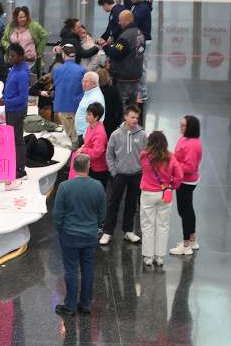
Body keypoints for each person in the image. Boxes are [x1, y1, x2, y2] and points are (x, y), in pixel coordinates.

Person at [53, 154, 107, 317]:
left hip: (69, 234)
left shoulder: (64, 187)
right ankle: (85, 305)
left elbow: (57, 214)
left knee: (71, 270)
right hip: (89, 235)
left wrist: (61, 229)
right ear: (88, 166)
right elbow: (102, 213)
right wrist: (95, 226)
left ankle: (70, 305)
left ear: (73, 167)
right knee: (88, 270)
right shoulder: (98, 186)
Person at [138, 130, 182, 271]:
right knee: (162, 225)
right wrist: (171, 186)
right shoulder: (171, 157)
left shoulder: (144, 156)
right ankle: (160, 257)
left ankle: (148, 257)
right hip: (165, 194)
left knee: (148, 225)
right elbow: (179, 175)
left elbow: (142, 168)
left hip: (148, 194)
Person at [102, 104, 145, 245]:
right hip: (119, 175)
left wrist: (141, 169)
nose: (135, 120)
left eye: (137, 118)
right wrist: (114, 171)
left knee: (131, 204)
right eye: (132, 117)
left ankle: (128, 231)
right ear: (125, 117)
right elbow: (109, 155)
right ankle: (107, 232)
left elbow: (146, 155)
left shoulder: (143, 135)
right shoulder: (116, 134)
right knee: (114, 203)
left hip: (136, 175)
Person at [170, 115, 202, 256]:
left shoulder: (192, 145)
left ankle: (186, 244)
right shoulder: (186, 138)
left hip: (186, 181)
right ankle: (192, 239)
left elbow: (190, 167)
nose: (180, 127)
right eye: (181, 124)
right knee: (187, 209)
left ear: (190, 128)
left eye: (183, 125)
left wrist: (174, 164)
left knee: (185, 211)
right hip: (185, 180)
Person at [105, 10, 145, 109]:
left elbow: (115, 53)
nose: (118, 23)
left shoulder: (126, 37)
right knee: (132, 103)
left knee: (122, 103)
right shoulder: (139, 32)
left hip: (125, 76)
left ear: (126, 21)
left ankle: (124, 123)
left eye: (120, 20)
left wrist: (105, 46)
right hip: (136, 73)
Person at [0, 45, 29, 179]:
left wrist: (6, 102)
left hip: (16, 111)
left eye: (13, 56)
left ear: (21, 56)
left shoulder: (22, 74)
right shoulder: (14, 69)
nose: (10, 58)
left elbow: (23, 98)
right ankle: (15, 165)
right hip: (11, 109)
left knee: (18, 140)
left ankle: (20, 169)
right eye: (9, 55)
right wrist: (4, 99)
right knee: (13, 139)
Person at [51, 45, 85, 143]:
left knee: (69, 134)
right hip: (76, 105)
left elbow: (56, 85)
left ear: (63, 55)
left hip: (61, 105)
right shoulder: (82, 70)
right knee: (76, 133)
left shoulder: (57, 70)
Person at [2, 6, 49, 74]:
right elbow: (3, 40)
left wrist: (39, 51)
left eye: (25, 16)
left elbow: (45, 36)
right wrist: (10, 48)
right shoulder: (10, 27)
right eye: (20, 17)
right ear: (16, 18)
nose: (23, 19)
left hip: (30, 63)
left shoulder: (33, 25)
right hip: (15, 63)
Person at [75, 71, 106, 141]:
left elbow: (98, 120)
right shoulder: (89, 92)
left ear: (94, 83)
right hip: (83, 133)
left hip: (86, 136)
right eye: (83, 81)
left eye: (86, 82)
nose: (83, 84)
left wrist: (86, 137)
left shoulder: (95, 98)